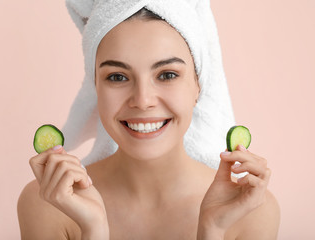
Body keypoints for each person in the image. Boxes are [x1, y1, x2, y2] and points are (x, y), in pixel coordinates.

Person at [17, 1, 280, 239]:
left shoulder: (250, 209)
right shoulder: (50, 203)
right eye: (117, 77)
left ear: (199, 85)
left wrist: (213, 229)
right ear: (95, 86)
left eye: (167, 75)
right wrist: (93, 229)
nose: (142, 101)